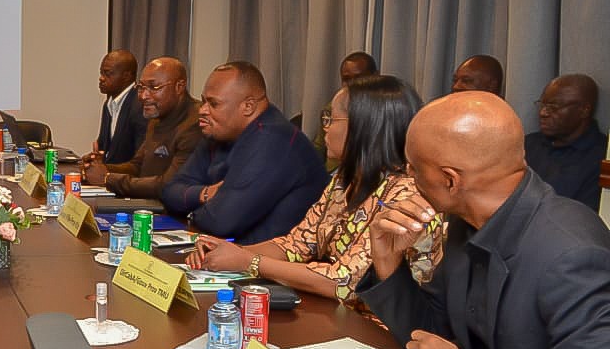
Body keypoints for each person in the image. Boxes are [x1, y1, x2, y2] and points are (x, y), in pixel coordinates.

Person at [358, 92, 610, 349]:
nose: (408, 177)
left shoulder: (570, 256)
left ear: (450, 180)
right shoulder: (470, 220)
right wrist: (388, 263)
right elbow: (435, 338)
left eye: (413, 168)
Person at [187, 76, 442, 312]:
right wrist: (229, 252)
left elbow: (343, 282)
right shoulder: (344, 180)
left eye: (332, 119)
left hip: (386, 330)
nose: (325, 129)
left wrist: (247, 261)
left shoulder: (407, 194)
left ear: (363, 127)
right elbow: (296, 244)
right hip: (340, 316)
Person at [161, 62, 329, 244]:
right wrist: (205, 194)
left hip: (270, 258)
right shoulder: (219, 132)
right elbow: (169, 190)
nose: (202, 111)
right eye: (203, 102)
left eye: (213, 104)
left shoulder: (273, 139)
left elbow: (221, 221)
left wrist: (191, 212)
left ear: (248, 106)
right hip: (231, 250)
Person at [80, 57, 202, 198]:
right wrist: (99, 168)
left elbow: (169, 185)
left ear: (179, 87)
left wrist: (107, 178)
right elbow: (137, 166)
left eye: (154, 87)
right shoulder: (157, 117)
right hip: (147, 202)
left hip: (170, 209)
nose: (143, 96)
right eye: (141, 87)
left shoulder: (195, 123)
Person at [525, 74, 605, 211]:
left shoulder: (600, 159)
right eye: (542, 104)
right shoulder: (528, 144)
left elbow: (584, 217)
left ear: (584, 110)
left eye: (553, 107)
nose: (543, 113)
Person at [314, 51, 378, 167]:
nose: (352, 84)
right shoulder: (332, 109)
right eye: (347, 79)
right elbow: (318, 149)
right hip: (333, 174)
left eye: (359, 78)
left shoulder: (385, 111)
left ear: (375, 76)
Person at [93, 49, 148, 165]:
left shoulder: (140, 106)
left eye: (107, 74)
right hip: (109, 173)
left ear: (126, 76)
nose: (101, 78)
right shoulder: (108, 104)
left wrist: (107, 170)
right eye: (101, 73)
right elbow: (103, 149)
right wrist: (95, 159)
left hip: (127, 175)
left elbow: (140, 160)